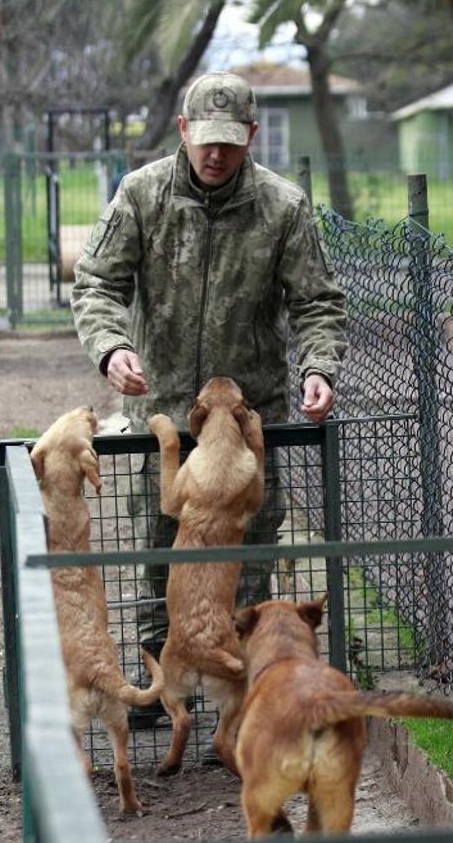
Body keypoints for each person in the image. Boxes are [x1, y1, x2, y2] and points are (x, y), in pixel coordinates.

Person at [71, 70, 347, 733]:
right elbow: (97, 283)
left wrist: (318, 367)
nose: (216, 154)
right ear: (185, 131)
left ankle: (245, 704)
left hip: (250, 430)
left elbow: (316, 302)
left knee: (245, 564)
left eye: (231, 141)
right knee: (162, 552)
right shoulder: (141, 196)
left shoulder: (283, 207)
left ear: (251, 135)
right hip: (163, 415)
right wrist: (112, 348)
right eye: (206, 141)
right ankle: (157, 688)